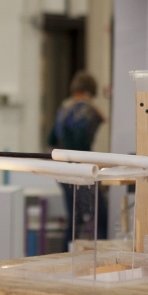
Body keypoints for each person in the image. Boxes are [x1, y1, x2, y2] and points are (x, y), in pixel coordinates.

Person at [47, 71, 107, 251]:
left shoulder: (64, 108)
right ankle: (102, 260)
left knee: (74, 219)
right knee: (100, 217)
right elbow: (81, 143)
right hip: (81, 170)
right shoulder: (87, 111)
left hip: (62, 170)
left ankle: (64, 258)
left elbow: (51, 139)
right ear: (91, 91)